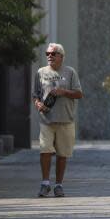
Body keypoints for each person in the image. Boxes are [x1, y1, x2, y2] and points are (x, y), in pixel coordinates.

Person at [32, 43, 83, 198]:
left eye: (53, 54)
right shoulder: (41, 72)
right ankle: (45, 183)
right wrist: (38, 104)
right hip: (46, 120)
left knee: (62, 154)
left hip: (65, 120)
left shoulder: (70, 72)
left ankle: (58, 185)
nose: (49, 56)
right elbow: (35, 94)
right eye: (48, 53)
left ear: (61, 56)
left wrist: (63, 92)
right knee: (45, 150)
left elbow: (79, 94)